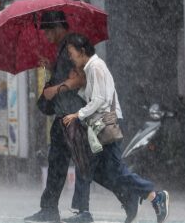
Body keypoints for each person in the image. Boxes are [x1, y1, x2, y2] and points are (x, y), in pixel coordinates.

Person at [25, 11, 139, 223]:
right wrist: (51, 68)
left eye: (49, 31)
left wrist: (56, 89)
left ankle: (121, 198)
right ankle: (49, 208)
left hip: (76, 117)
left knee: (91, 168)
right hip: (63, 117)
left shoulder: (72, 49)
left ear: (59, 27)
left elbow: (81, 79)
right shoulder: (62, 51)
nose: (47, 36)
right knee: (58, 163)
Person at [62, 33, 170, 223]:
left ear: (82, 51)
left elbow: (100, 100)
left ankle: (151, 195)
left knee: (102, 168)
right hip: (99, 124)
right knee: (101, 170)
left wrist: (77, 115)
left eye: (72, 53)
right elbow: (95, 96)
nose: (70, 57)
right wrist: (77, 84)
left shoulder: (96, 66)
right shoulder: (91, 68)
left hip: (104, 124)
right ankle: (132, 197)